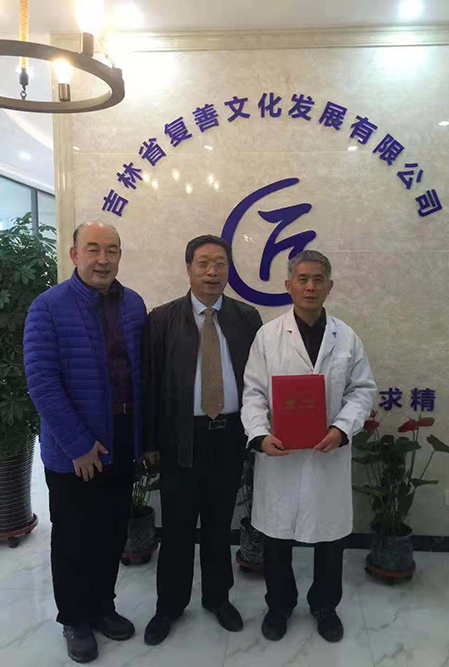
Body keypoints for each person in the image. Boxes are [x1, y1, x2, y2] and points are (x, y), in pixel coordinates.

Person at [23, 220, 146, 664]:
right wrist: (78, 444)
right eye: (93, 249)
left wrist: (144, 438)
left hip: (122, 440)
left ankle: (102, 606)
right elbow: (41, 381)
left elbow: (142, 376)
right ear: (74, 255)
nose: (102, 259)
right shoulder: (48, 307)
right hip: (73, 450)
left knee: (112, 532)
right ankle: (75, 618)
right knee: (74, 538)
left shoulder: (133, 304)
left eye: (111, 250)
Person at [241, 249, 376, 643]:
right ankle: (279, 606)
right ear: (288, 285)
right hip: (279, 453)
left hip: (327, 451)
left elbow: (362, 390)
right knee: (277, 537)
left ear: (330, 286)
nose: (310, 287)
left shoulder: (346, 337)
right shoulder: (268, 336)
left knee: (330, 537)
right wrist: (259, 435)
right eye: (302, 279)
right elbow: (253, 392)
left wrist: (342, 428)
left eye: (318, 279)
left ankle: (325, 606)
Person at [142, 234, 262, 645]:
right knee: (176, 527)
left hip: (229, 435)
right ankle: (169, 606)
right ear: (189, 268)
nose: (212, 271)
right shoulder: (162, 319)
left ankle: (217, 598)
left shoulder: (247, 318)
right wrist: (150, 442)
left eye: (220, 263)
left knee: (218, 523)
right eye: (204, 263)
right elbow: (150, 384)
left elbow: (259, 381)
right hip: (180, 437)